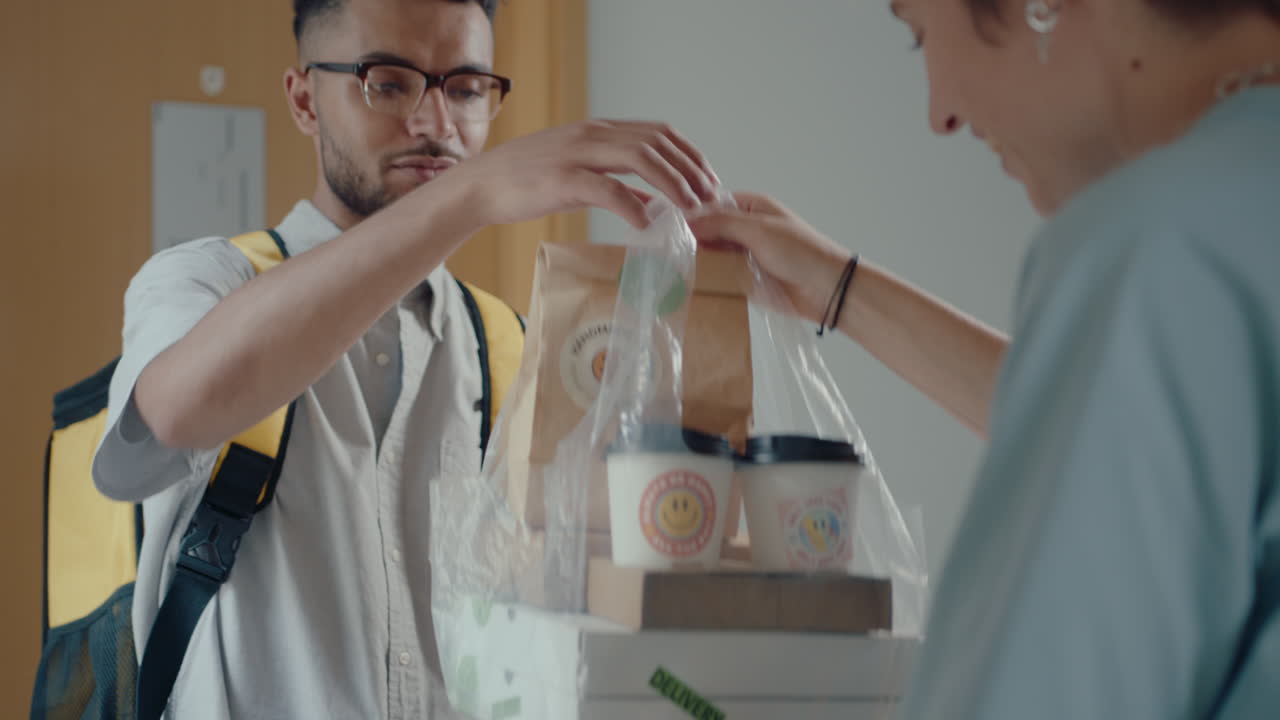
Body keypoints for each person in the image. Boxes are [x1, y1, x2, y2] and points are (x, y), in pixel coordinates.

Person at [91, 0, 719, 717]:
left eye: (466, 89)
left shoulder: (512, 343)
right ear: (304, 101)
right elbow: (172, 418)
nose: (436, 124)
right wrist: (471, 194)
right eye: (388, 83)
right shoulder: (206, 281)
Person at [690, 0, 1280, 717]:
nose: (940, 113)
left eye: (920, 36)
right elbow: (1139, 428)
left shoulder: (1155, 248)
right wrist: (843, 291)